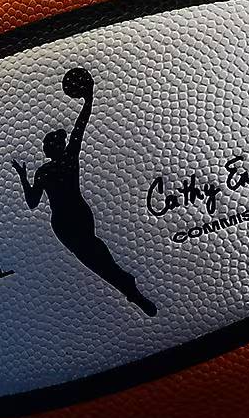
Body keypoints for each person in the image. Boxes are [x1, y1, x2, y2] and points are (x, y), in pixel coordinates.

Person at [14, 67, 158, 316]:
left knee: (95, 257)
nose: (51, 145)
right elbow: (80, 126)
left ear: (50, 149)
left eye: (50, 143)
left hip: (65, 222)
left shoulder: (46, 171)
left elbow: (31, 202)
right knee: (97, 254)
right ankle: (129, 289)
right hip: (77, 216)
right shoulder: (67, 159)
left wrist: (24, 178)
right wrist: (88, 98)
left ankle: (129, 288)